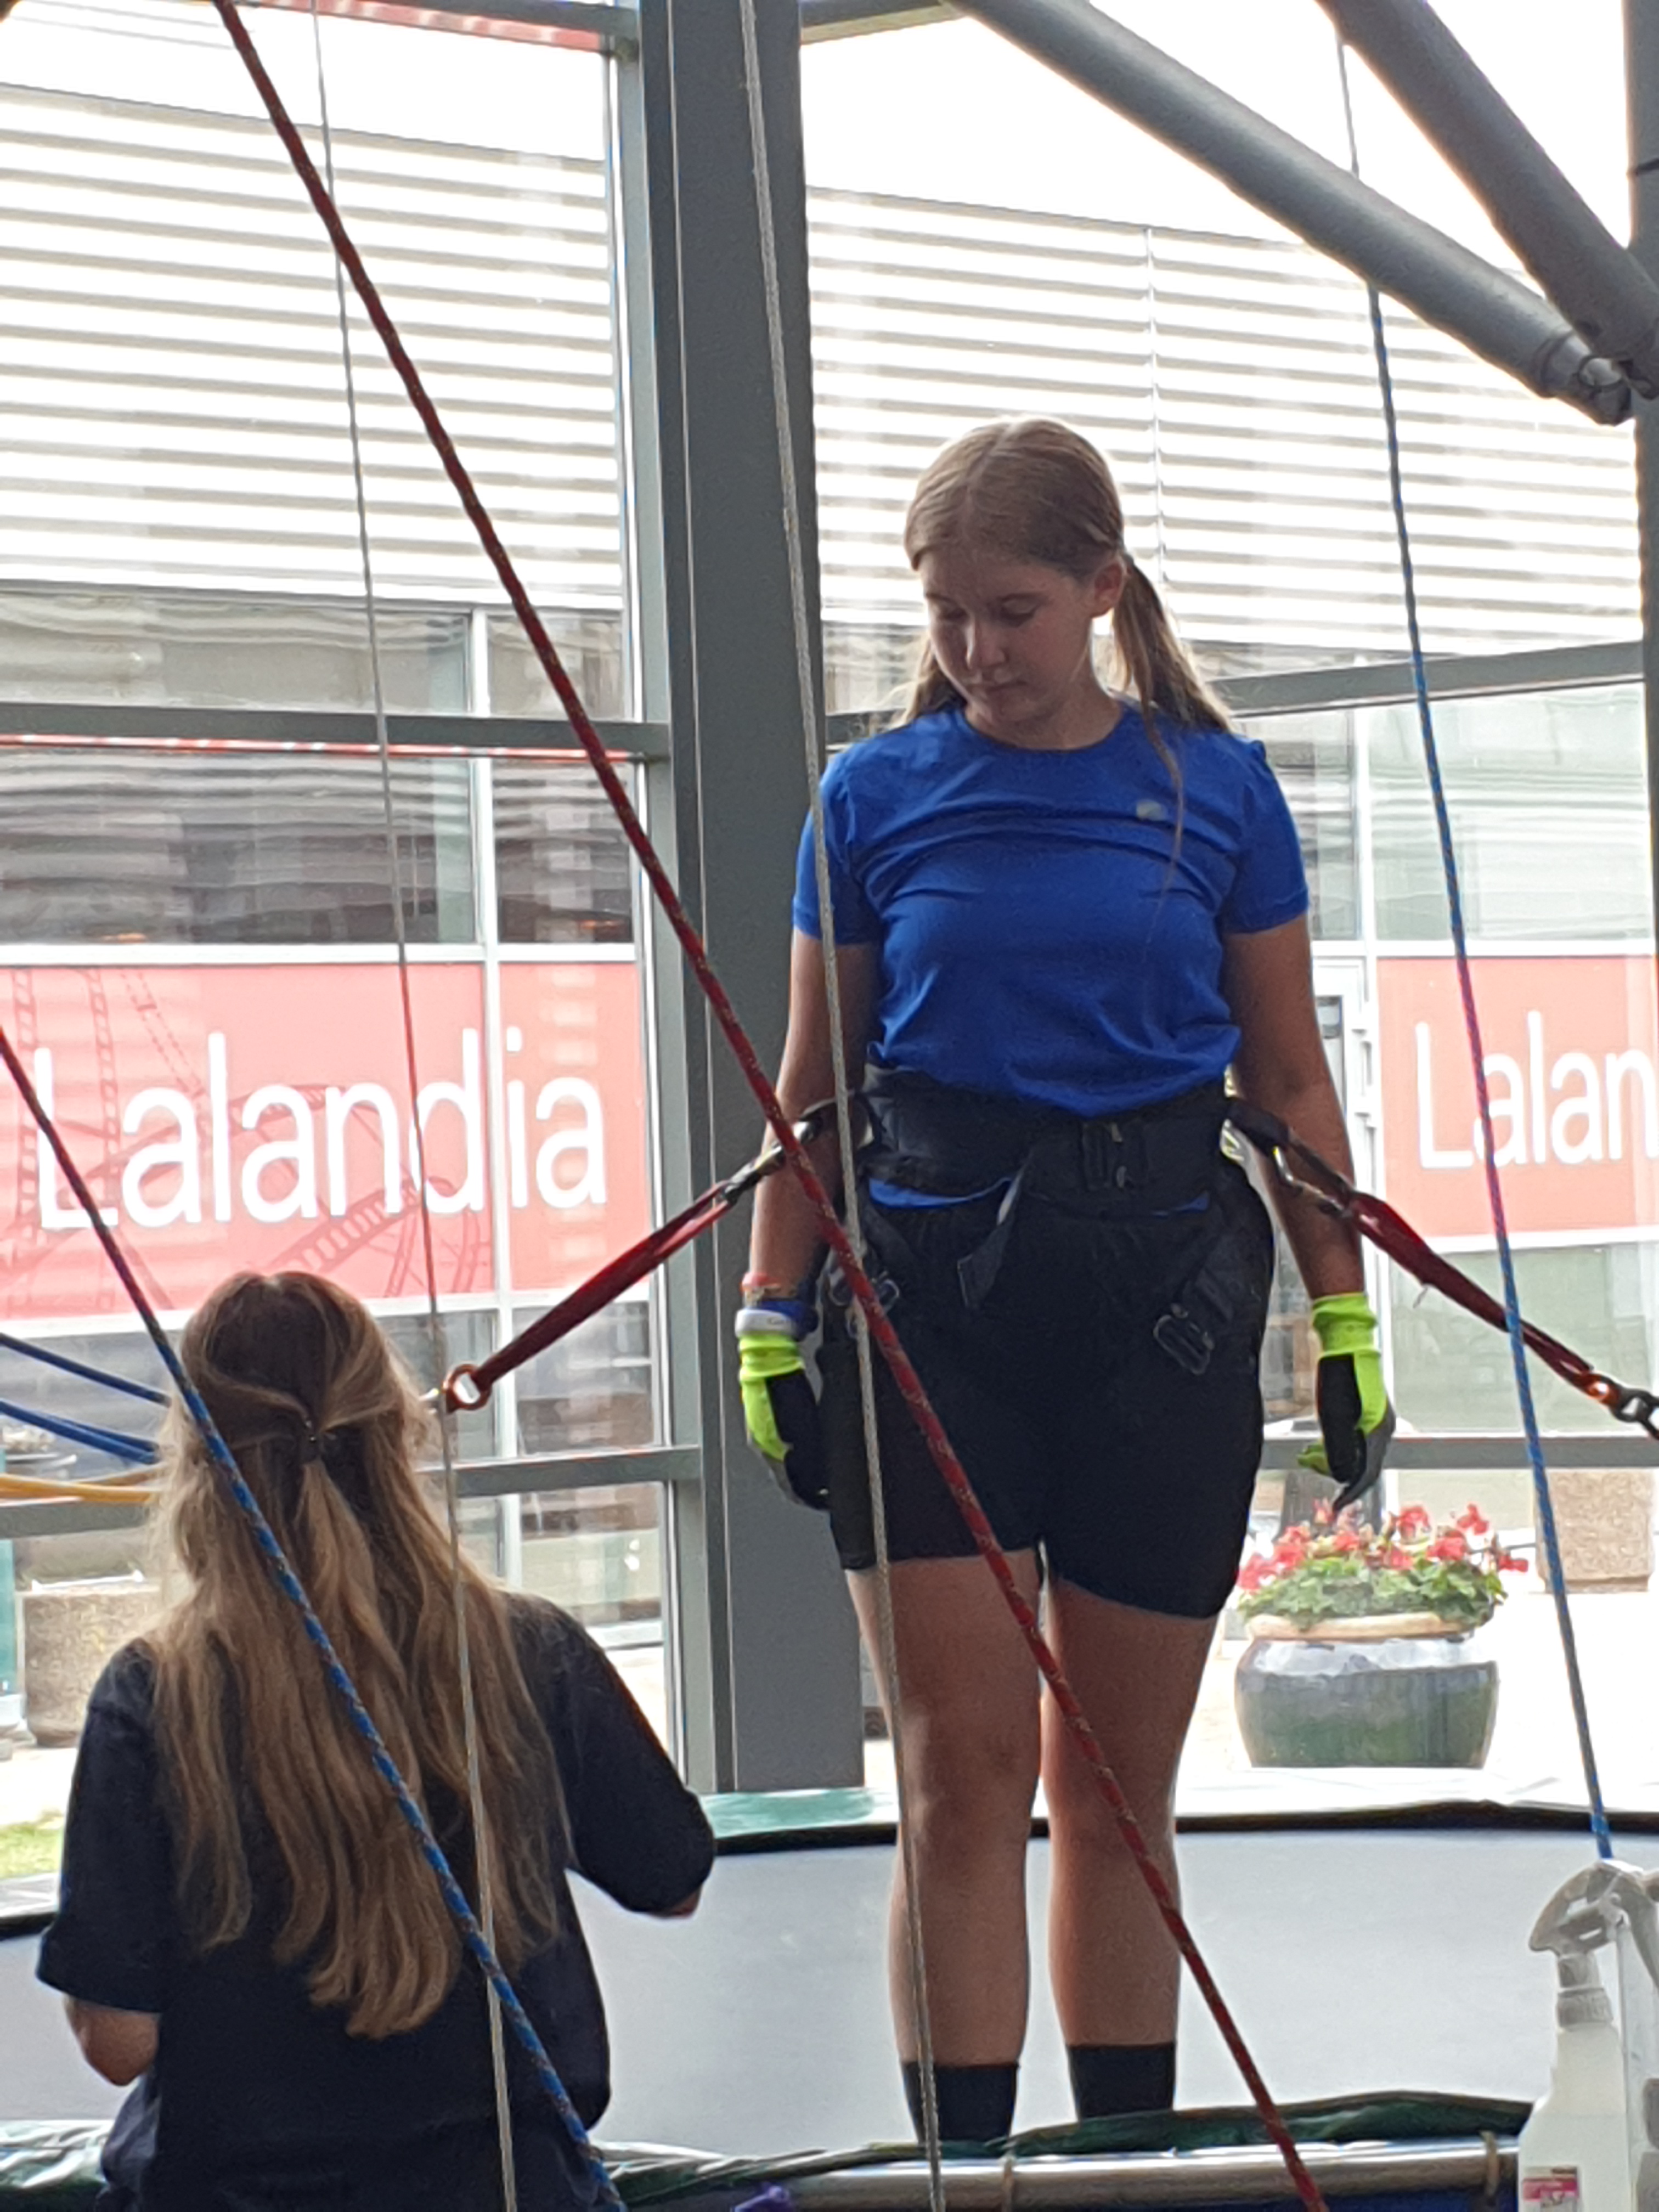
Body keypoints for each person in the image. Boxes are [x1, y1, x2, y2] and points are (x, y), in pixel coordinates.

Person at [738, 417, 1390, 2146]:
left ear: (1102, 588)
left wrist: (1342, 1316)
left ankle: (1122, 2172)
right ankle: (964, 2178)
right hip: (931, 1315)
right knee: (960, 1781)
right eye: (946, 613)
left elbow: (1288, 1082)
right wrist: (767, 1311)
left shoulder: (1215, 789)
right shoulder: (871, 798)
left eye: (1012, 611)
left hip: (1161, 1315)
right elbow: (814, 1086)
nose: (977, 651)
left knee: (1113, 1796)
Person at [39, 1271, 714, 2211]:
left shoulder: (157, 1694)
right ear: (397, 1429)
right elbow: (672, 1879)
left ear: (196, 1460)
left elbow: (118, 2043)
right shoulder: (529, 1651)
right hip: (505, 2189)